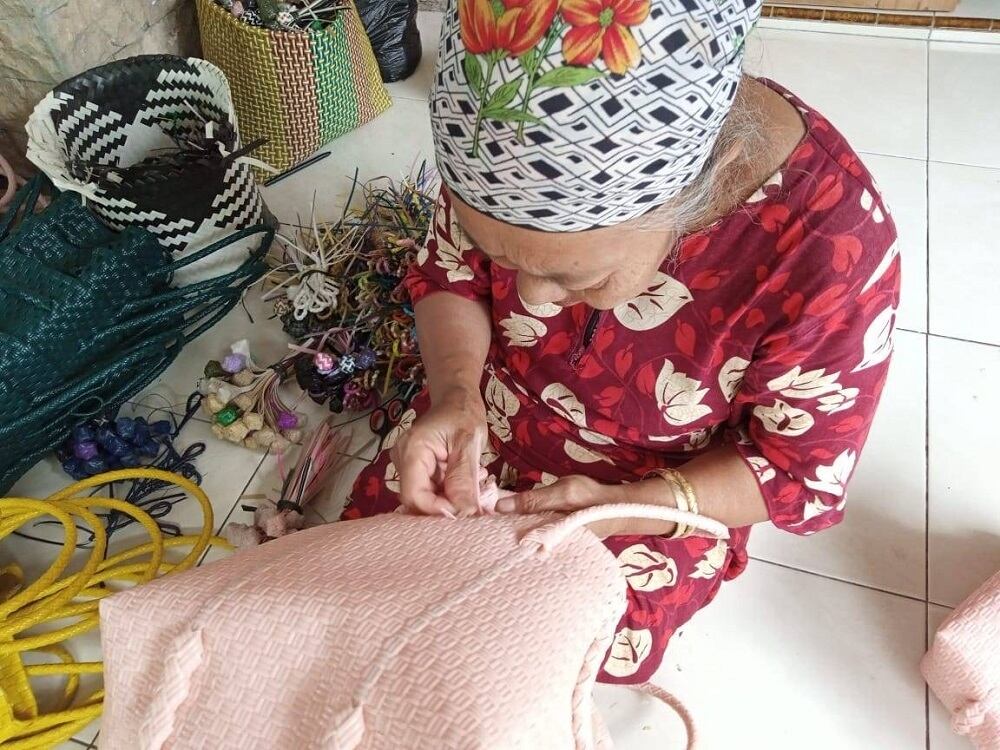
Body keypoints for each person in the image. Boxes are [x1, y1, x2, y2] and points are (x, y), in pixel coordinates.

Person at [343, 0, 900, 683]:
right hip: (485, 421)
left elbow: (795, 472)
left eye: (574, 276)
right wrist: (457, 393)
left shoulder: (828, 251)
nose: (530, 297)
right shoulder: (502, 139)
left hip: (653, 488)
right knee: (369, 570)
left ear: (708, 183)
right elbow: (448, 274)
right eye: (502, 256)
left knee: (546, 649)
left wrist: (639, 506)